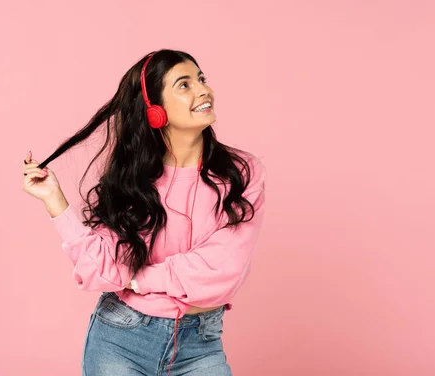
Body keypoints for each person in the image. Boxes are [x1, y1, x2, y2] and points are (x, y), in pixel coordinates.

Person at [21, 49, 266, 375]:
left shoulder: (241, 173)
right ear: (155, 110)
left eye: (201, 79)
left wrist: (138, 277)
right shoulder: (133, 182)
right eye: (184, 84)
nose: (203, 90)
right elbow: (103, 270)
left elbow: (223, 268)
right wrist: (54, 200)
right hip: (122, 339)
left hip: (201, 343)